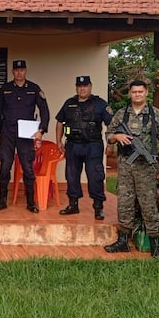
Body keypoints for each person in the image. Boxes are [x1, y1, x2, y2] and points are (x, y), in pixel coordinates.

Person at [104, 80, 159, 258]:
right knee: (124, 203)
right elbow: (108, 135)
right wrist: (116, 136)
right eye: (134, 92)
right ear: (130, 94)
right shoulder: (121, 114)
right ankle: (123, 241)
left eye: (140, 92)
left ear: (146, 92)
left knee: (148, 204)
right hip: (126, 164)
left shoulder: (156, 115)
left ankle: (155, 243)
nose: (137, 95)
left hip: (147, 167)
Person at [0, 60, 50, 213]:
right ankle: (2, 200)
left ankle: (31, 202)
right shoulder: (5, 89)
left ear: (25, 71)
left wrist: (41, 130)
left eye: (22, 70)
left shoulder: (34, 89)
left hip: (26, 134)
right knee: (5, 166)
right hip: (8, 132)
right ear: (12, 72)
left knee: (28, 168)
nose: (19, 73)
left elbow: (44, 111)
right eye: (16, 70)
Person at [55, 76, 113, 219]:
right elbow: (60, 122)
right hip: (73, 145)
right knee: (72, 176)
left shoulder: (99, 104)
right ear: (76, 87)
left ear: (90, 87)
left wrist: (111, 143)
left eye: (85, 86)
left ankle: (98, 207)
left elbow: (111, 124)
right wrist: (58, 141)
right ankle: (73, 205)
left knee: (95, 176)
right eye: (79, 86)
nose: (82, 88)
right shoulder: (69, 103)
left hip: (93, 145)